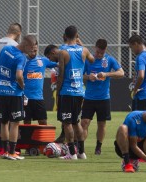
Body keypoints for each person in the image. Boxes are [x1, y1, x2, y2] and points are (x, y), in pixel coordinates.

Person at [57, 25, 94, 160]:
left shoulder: (62, 51)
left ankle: (72, 153)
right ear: (77, 35)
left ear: (64, 36)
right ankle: (81, 152)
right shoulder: (84, 50)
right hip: (80, 91)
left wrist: (58, 90)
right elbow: (92, 60)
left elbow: (61, 74)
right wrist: (81, 42)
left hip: (67, 91)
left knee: (67, 123)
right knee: (76, 122)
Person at [0, 35, 37, 160]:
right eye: (31, 49)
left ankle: (5, 151)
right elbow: (19, 75)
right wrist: (22, 85)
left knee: (4, 122)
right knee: (15, 123)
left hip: (1, 91)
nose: (31, 52)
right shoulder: (21, 57)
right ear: (26, 45)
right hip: (14, 93)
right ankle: (12, 152)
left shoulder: (6, 49)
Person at [81, 39, 124, 155]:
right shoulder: (89, 60)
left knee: (102, 124)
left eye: (102, 53)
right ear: (95, 48)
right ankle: (81, 148)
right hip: (89, 97)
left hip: (103, 98)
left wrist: (106, 74)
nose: (99, 55)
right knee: (84, 122)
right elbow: (79, 74)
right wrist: (88, 77)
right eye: (98, 52)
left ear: (105, 50)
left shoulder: (109, 60)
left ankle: (98, 147)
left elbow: (121, 73)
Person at [0, 23, 22, 157]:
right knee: (11, 118)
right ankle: (6, 148)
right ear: (19, 34)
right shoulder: (14, 46)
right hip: (8, 84)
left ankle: (0, 147)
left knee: (2, 116)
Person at [23, 43, 57, 125]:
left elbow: (59, 63)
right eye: (31, 50)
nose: (33, 53)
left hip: (38, 97)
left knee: (43, 121)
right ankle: (27, 138)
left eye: (35, 50)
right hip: (25, 97)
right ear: (27, 49)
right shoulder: (22, 60)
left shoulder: (43, 60)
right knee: (27, 122)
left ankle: (42, 138)